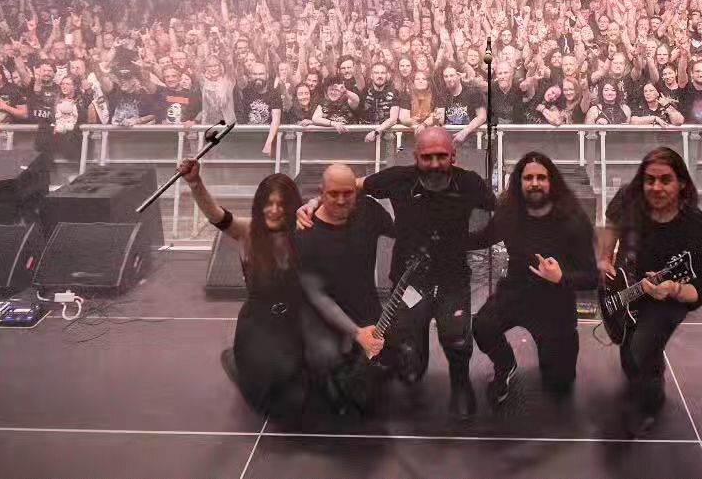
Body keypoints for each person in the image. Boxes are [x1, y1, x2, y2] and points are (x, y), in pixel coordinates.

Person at [297, 126, 494, 420]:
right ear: (416, 157)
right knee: (409, 353)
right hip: (408, 280)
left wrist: (475, 241)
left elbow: (500, 208)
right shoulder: (397, 179)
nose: (436, 164)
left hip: (453, 277)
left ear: (454, 156)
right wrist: (314, 202)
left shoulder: (471, 184)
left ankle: (460, 383)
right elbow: (355, 184)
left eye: (442, 156)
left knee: (457, 339)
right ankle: (415, 368)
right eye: (428, 157)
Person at [178, 156, 311, 421]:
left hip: (292, 324)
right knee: (267, 401)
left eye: (281, 204)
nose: (274, 210)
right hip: (258, 324)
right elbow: (215, 214)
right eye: (268, 203)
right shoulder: (246, 232)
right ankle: (239, 361)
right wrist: (195, 183)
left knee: (302, 395)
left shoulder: (303, 234)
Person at [597, 147, 702, 437]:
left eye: (665, 180)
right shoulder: (628, 198)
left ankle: (650, 404)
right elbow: (611, 225)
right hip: (626, 286)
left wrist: (673, 287)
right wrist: (604, 258)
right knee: (627, 348)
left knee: (641, 349)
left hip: (669, 295)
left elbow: (700, 291)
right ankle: (644, 379)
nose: (656, 187)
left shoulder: (697, 227)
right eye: (650, 180)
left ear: (682, 183)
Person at [470, 151, 597, 405]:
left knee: (560, 384)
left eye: (541, 177)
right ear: (519, 182)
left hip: (555, 303)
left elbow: (591, 278)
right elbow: (483, 237)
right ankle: (506, 364)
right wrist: (444, 236)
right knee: (482, 326)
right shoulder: (509, 213)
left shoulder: (572, 219)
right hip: (516, 293)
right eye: (529, 178)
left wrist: (561, 277)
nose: (535, 183)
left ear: (551, 182)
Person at [293, 164, 395, 408]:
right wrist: (356, 332)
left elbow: (403, 229)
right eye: (332, 194)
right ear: (322, 192)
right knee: (327, 359)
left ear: (357, 192)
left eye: (347, 193)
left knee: (396, 358)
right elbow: (317, 296)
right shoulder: (305, 233)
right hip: (320, 315)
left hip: (364, 305)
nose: (340, 200)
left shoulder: (369, 212)